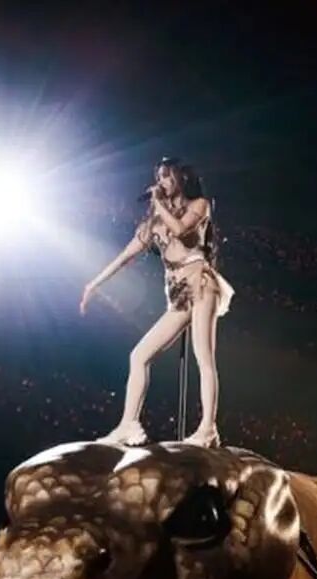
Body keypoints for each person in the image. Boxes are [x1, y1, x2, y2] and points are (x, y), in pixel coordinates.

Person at [80, 158, 234, 447]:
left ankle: (208, 428)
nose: (161, 183)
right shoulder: (153, 223)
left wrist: (158, 204)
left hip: (201, 283)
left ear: (179, 180)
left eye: (166, 177)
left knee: (204, 356)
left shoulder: (199, 205)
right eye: (159, 178)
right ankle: (129, 424)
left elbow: (180, 230)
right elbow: (125, 255)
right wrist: (94, 283)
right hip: (178, 295)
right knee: (139, 355)